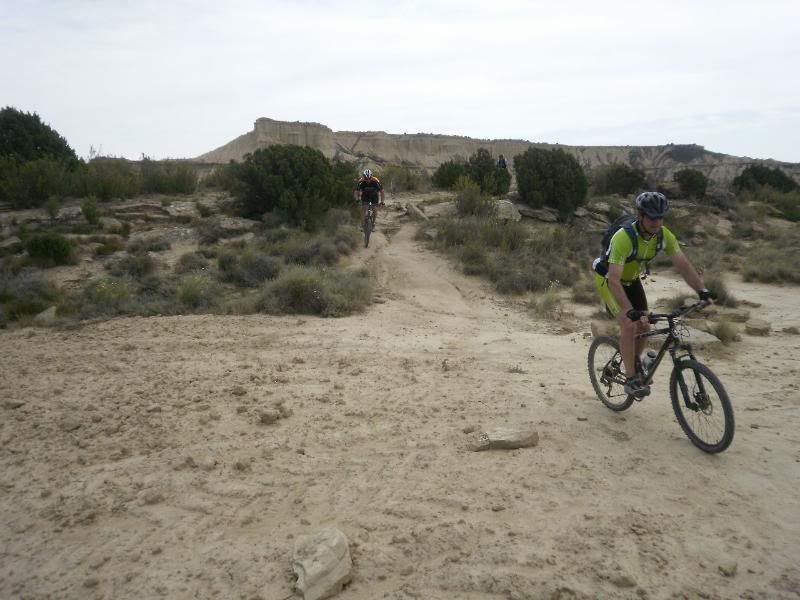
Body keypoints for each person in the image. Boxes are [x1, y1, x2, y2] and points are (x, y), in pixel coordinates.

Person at [592, 191, 716, 398]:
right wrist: (628, 310)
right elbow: (614, 280)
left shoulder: (663, 235)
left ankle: (634, 364)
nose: (656, 222)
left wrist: (702, 291)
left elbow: (684, 265)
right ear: (640, 215)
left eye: (660, 217)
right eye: (651, 216)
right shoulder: (624, 238)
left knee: (645, 325)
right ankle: (631, 379)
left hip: (631, 281)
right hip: (609, 281)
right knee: (630, 324)